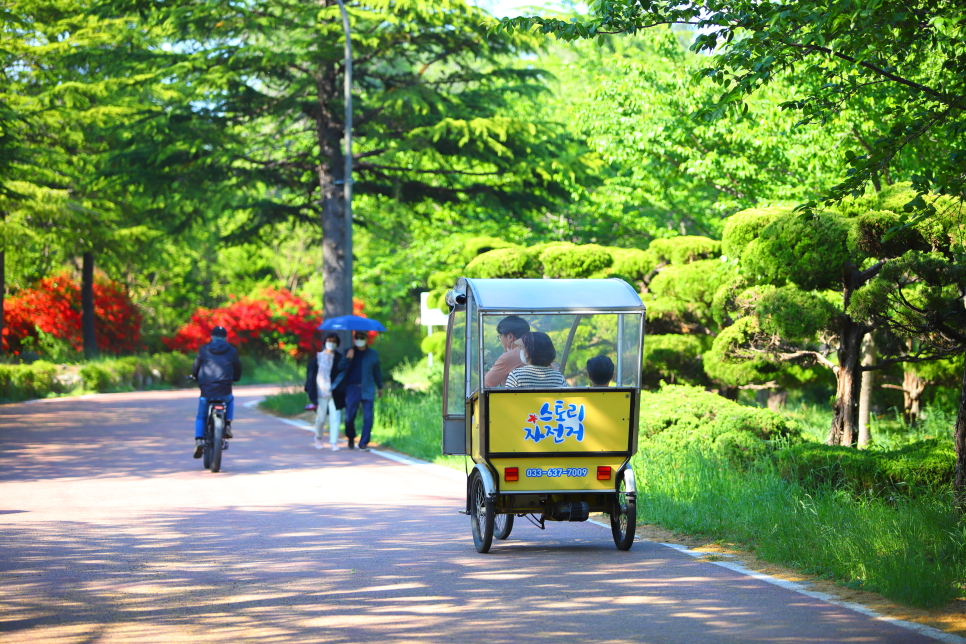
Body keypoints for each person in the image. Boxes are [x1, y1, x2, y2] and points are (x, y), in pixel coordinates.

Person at [192, 326, 242, 458]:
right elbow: (237, 368)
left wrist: (195, 377)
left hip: (207, 389)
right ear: (226, 338)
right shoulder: (231, 350)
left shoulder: (204, 349)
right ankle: (227, 425)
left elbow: (196, 367)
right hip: (225, 387)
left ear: (211, 336)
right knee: (230, 399)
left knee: (201, 416)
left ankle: (199, 440)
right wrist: (235, 378)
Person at [339, 331, 383, 451]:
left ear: (366, 338)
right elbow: (340, 368)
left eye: (361, 337)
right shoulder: (348, 352)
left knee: (368, 417)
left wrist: (380, 387)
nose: (359, 339)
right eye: (357, 337)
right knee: (349, 418)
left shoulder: (373, 354)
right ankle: (351, 437)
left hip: (367, 388)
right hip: (352, 388)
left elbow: (377, 372)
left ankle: (363, 442)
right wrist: (348, 358)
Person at [304, 332, 346, 451]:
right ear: (325, 342)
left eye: (333, 341)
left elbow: (343, 373)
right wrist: (311, 392)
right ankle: (318, 437)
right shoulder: (318, 357)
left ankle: (334, 442)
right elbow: (311, 375)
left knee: (335, 417)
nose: (331, 344)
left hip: (335, 393)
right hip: (320, 393)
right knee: (321, 418)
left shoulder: (340, 358)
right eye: (329, 341)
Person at [484, 315, 530, 387]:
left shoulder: (510, 357)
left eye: (500, 337)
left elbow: (486, 385)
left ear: (510, 337)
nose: (501, 341)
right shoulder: (541, 352)